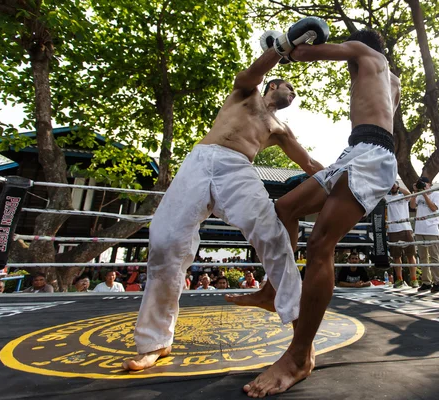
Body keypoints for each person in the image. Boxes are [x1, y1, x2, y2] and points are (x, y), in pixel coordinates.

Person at [122, 25, 326, 372]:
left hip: (237, 169)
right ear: (274, 84)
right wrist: (285, 46)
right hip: (200, 161)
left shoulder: (279, 129)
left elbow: (308, 164)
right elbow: (253, 72)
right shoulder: (245, 93)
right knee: (165, 242)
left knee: (274, 237)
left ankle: (300, 342)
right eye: (289, 87)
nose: (292, 94)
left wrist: (345, 178)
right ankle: (155, 343)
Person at [231, 28, 400, 397]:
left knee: (322, 244)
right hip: (362, 150)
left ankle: (299, 356)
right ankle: (274, 288)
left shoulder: (362, 51)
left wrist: (284, 45)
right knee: (286, 207)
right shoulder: (393, 81)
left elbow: (307, 54)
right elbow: (385, 125)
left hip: (370, 154)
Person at [409, 177, 439, 293]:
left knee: (434, 256)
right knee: (423, 257)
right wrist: (415, 192)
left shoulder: (436, 194)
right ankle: (426, 282)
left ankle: (437, 282)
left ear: (430, 184)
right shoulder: (418, 195)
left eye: (425, 183)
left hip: (431, 229)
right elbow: (412, 206)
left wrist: (424, 194)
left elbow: (434, 208)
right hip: (419, 229)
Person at [385, 181, 418, 288]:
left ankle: (414, 279)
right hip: (393, 229)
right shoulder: (387, 198)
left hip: (406, 228)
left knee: (410, 254)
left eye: (395, 185)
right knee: (396, 256)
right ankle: (399, 279)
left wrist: (398, 186)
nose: (393, 187)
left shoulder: (403, 197)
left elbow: (409, 194)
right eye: (392, 185)